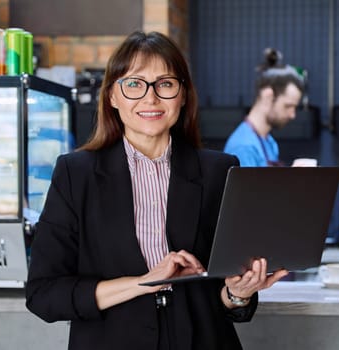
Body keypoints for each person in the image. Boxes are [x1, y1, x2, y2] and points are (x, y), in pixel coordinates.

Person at [25, 31, 288, 350]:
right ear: (112, 96)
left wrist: (239, 292)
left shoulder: (219, 171)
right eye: (134, 84)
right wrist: (144, 282)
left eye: (165, 84)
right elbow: (44, 294)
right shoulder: (75, 174)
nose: (150, 99)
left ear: (183, 96)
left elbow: (222, 297)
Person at [223, 48, 304, 166]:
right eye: (288, 106)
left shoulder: (268, 140)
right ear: (268, 96)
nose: (293, 115)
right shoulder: (244, 148)